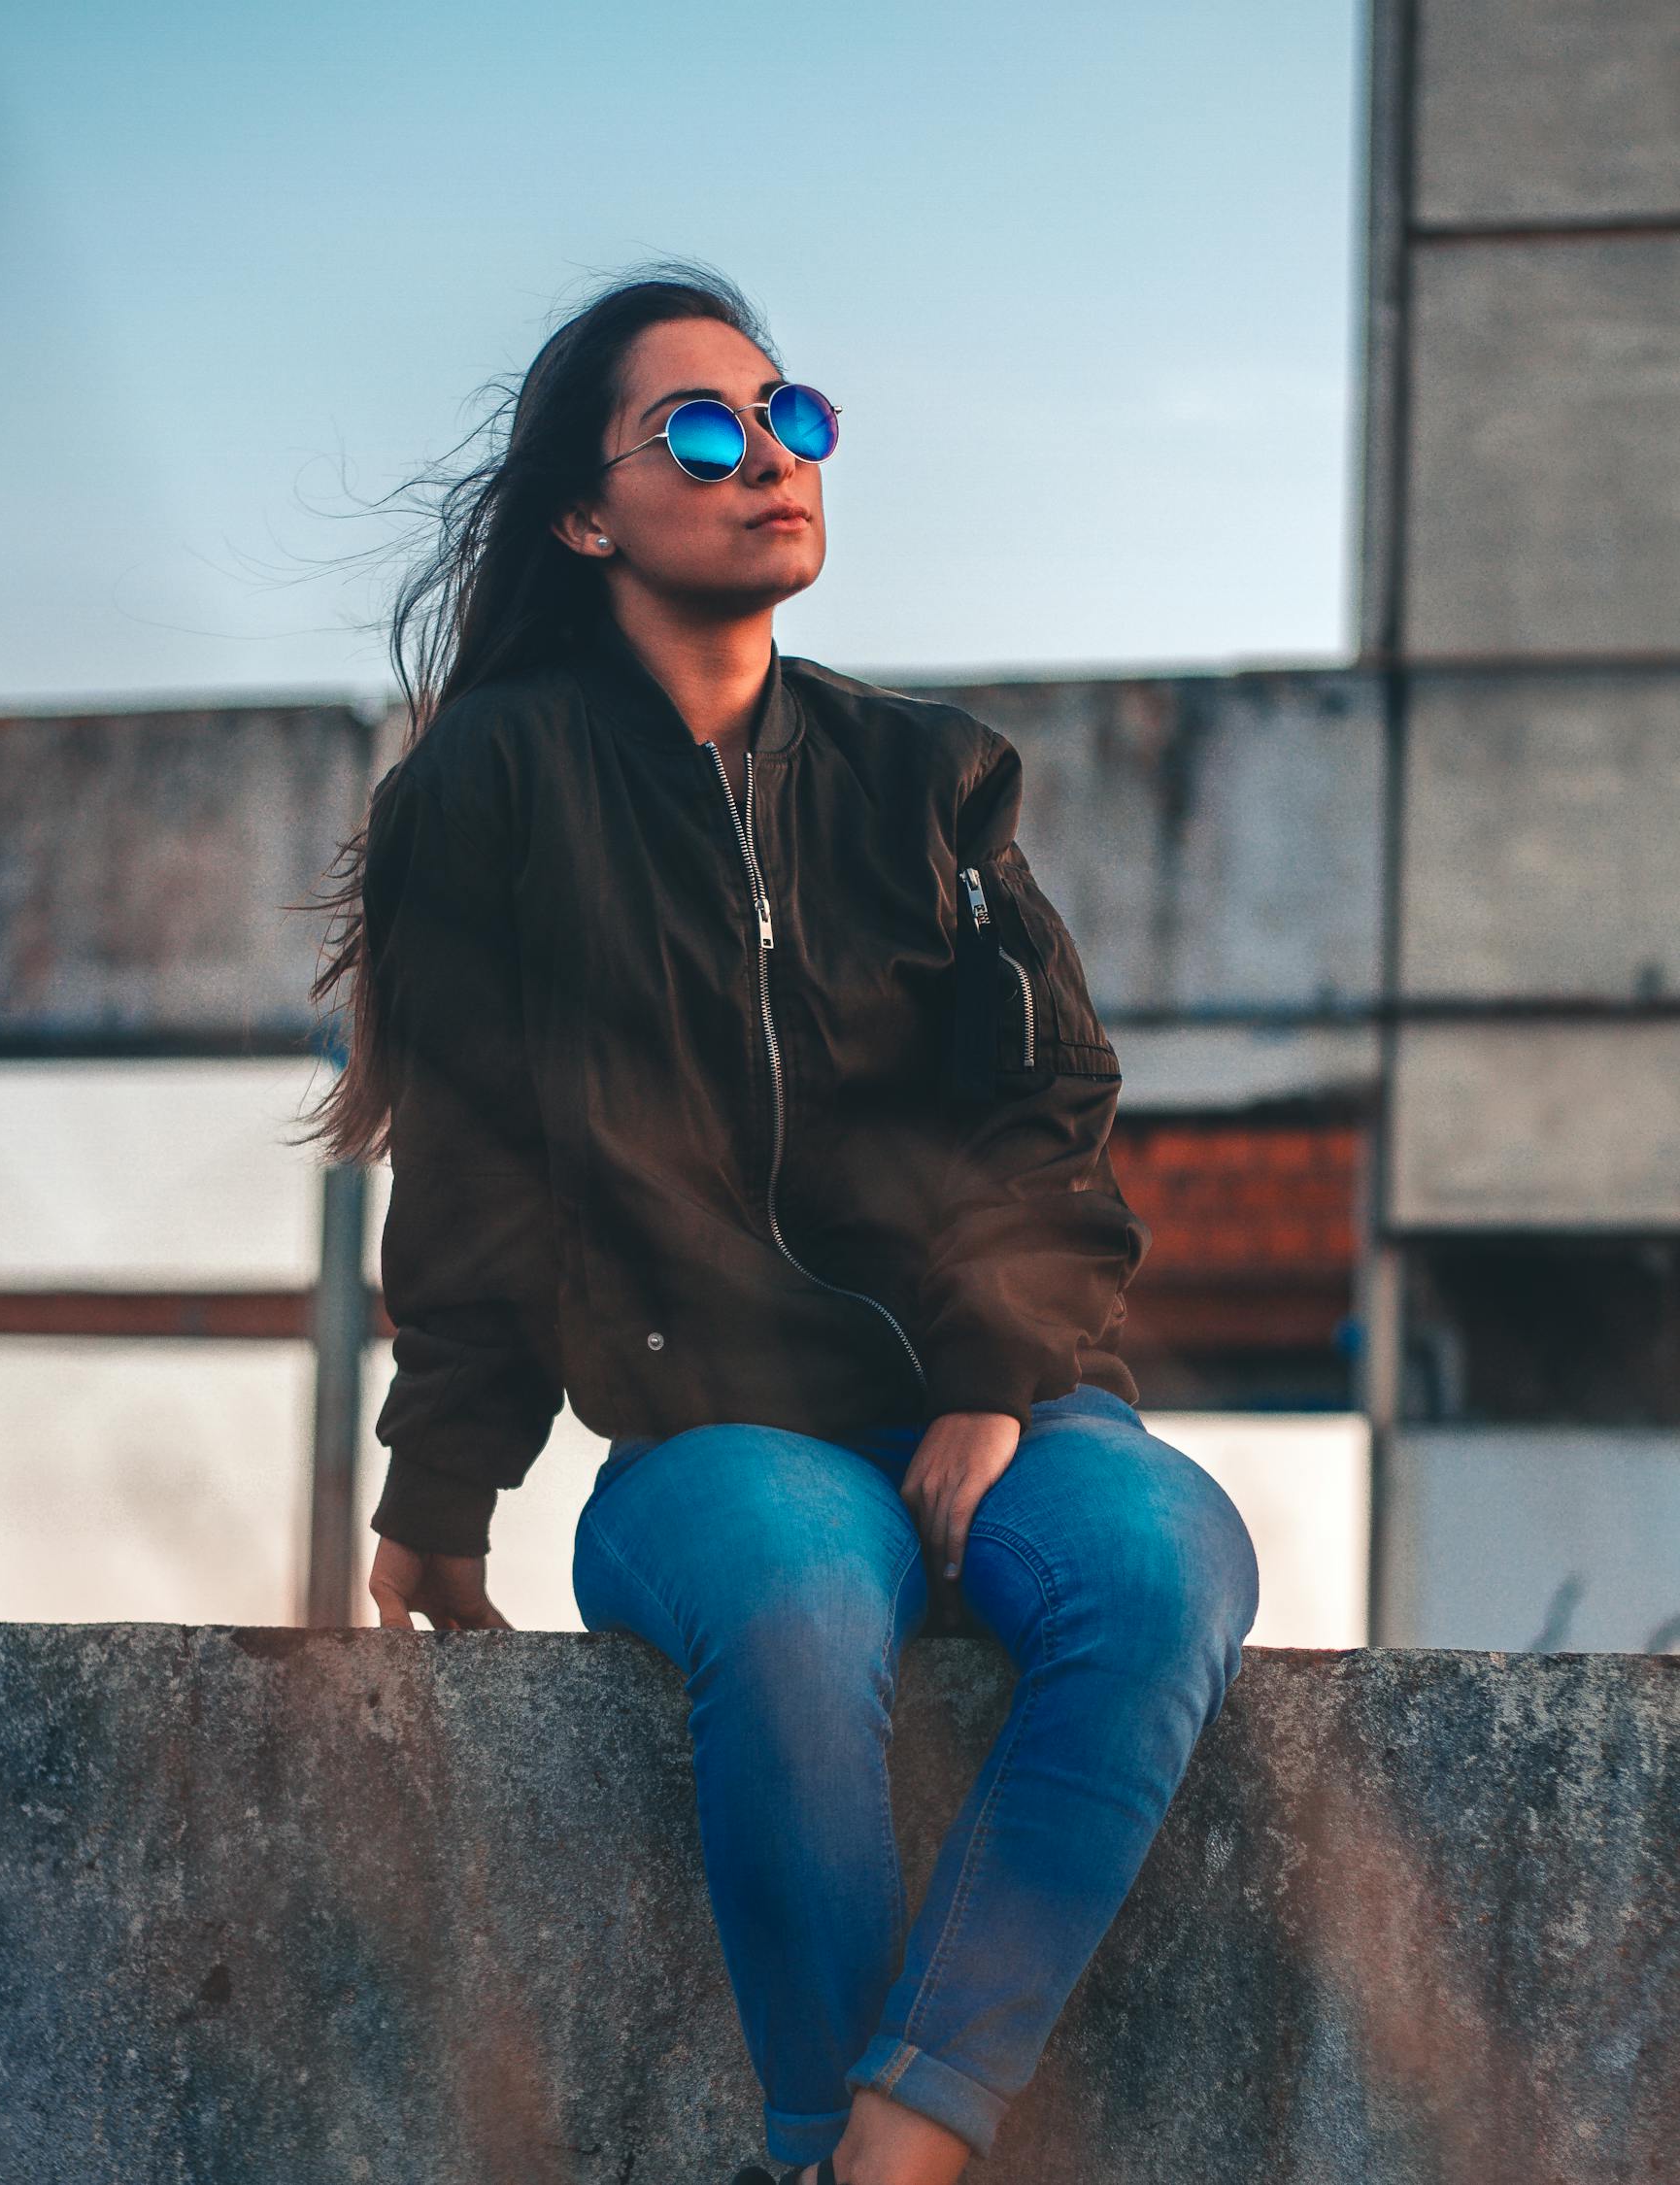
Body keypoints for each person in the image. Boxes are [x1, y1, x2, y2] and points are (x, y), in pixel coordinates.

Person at [297, 260, 1260, 2185]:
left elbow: (1049, 1099)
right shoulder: (493, 781)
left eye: (789, 415)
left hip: (1001, 1406)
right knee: (800, 1607)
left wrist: (990, 1379)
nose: (768, 458)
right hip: (713, 1441)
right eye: (700, 429)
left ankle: (905, 2130)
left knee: (1166, 1566)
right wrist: (441, 1489)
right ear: (588, 518)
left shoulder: (929, 777)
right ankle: (821, 2131)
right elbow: (476, 1164)